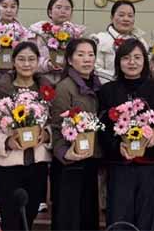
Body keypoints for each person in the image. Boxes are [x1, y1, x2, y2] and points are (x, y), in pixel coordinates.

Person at [98, 39, 154, 230]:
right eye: (126, 58)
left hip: (151, 165)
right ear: (118, 62)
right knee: (120, 217)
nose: (132, 62)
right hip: (120, 166)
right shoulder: (107, 91)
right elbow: (102, 128)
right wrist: (116, 146)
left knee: (149, 218)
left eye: (137, 57)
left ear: (145, 61)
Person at [0, 41, 52, 231]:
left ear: (38, 62)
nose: (26, 64)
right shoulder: (0, 90)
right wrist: (7, 142)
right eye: (21, 59)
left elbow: (56, 124)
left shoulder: (46, 90)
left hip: (36, 166)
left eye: (31, 59)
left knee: (28, 219)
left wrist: (46, 135)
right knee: (11, 220)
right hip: (8, 167)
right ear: (13, 62)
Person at [48, 38, 101, 231]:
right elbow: (57, 126)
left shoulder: (97, 85)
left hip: (89, 160)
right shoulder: (65, 87)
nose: (87, 59)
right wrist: (65, 153)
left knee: (88, 216)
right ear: (70, 60)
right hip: (69, 164)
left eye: (91, 54)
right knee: (69, 219)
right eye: (81, 54)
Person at [31, 0, 86, 86]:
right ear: (50, 12)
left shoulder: (77, 34)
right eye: (59, 7)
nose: (63, 11)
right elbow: (30, 59)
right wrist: (47, 64)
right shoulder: (38, 32)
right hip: (41, 79)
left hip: (70, 80)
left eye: (67, 8)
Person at [90, 0, 148, 85]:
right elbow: (95, 68)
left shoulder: (140, 41)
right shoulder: (100, 39)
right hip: (106, 87)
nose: (126, 19)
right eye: (121, 15)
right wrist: (117, 82)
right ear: (112, 17)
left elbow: (146, 68)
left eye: (130, 16)